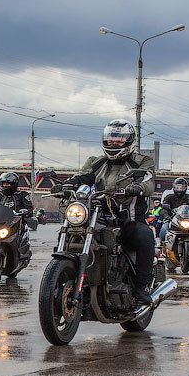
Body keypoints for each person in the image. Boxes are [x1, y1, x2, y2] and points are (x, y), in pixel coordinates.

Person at [69, 119, 157, 304]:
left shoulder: (141, 161)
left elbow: (149, 181)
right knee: (73, 232)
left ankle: (142, 287)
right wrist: (68, 184)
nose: (114, 143)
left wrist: (138, 187)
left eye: (119, 140)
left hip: (128, 220)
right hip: (99, 215)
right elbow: (84, 177)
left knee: (145, 236)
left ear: (129, 141)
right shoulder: (96, 162)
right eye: (111, 140)